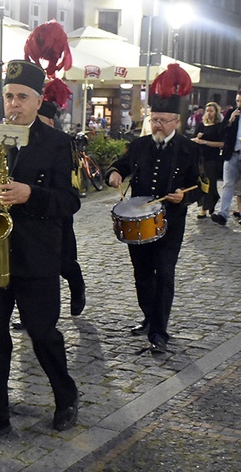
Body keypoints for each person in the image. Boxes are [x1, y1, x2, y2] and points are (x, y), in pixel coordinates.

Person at [0, 57, 81, 445]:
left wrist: (31, 194)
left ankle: (65, 395)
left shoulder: (58, 143)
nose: (13, 104)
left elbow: (70, 202)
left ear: (38, 100)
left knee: (44, 334)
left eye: (22, 98)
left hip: (37, 257)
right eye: (8, 96)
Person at [106, 64, 203, 354]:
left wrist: (182, 198)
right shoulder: (139, 145)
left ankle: (160, 331)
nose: (157, 124)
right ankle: (149, 317)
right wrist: (114, 174)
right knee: (142, 273)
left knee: (165, 272)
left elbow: (202, 186)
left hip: (170, 221)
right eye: (154, 119)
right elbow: (119, 167)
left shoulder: (189, 148)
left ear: (176, 121)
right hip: (138, 221)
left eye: (163, 120)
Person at [38, 100, 86, 315]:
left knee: (64, 262)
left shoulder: (62, 144)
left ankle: (77, 288)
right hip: (31, 215)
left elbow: (71, 189)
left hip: (58, 213)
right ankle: (30, 309)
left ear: (49, 121)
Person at [211, 89, 241, 226]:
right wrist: (230, 121)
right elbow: (221, 132)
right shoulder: (232, 114)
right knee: (228, 184)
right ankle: (223, 214)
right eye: (238, 101)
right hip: (232, 153)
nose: (239, 104)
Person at [191, 102, 224, 219]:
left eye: (211, 111)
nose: (209, 113)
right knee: (201, 183)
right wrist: (197, 138)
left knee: (210, 183)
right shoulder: (201, 125)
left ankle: (207, 206)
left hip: (212, 159)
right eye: (207, 111)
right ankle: (204, 206)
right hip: (200, 158)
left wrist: (205, 142)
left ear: (216, 113)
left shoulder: (218, 126)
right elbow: (193, 140)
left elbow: (221, 144)